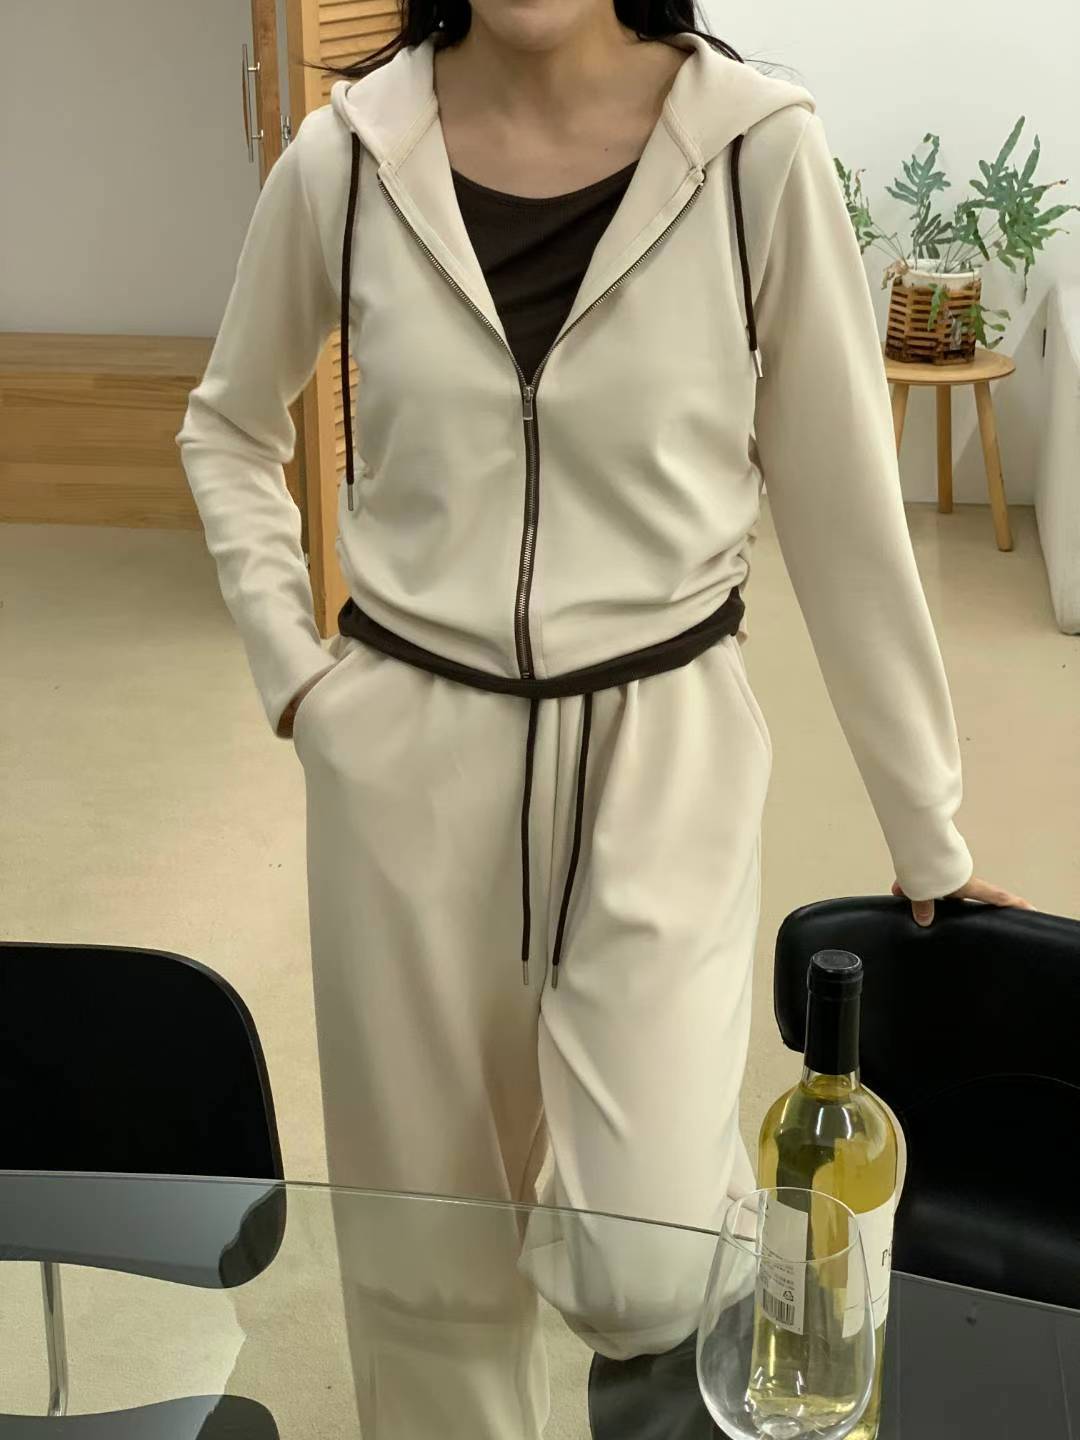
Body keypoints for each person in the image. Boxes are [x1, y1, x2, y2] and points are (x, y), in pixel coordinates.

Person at [178, 2, 1031, 1434]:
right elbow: (228, 424)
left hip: (664, 739)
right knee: (424, 1270)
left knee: (649, 1262)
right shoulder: (347, 158)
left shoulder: (755, 153)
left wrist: (926, 830)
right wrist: (301, 681)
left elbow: (843, 508)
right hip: (404, 757)